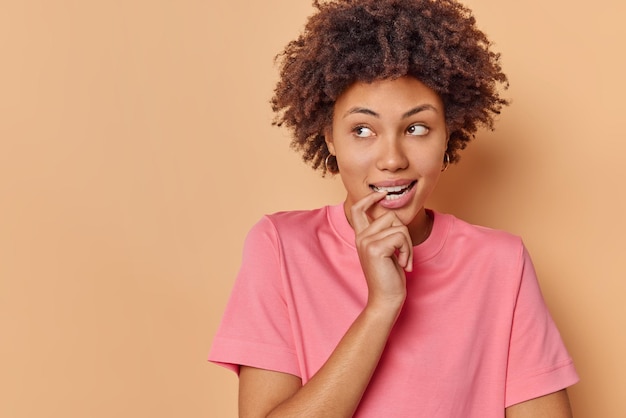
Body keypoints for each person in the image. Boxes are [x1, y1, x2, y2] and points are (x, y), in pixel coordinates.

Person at [209, 0, 579, 416]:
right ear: (329, 137)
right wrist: (381, 307)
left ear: (447, 136)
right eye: (362, 130)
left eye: (416, 128)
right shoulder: (280, 247)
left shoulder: (501, 264)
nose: (391, 159)